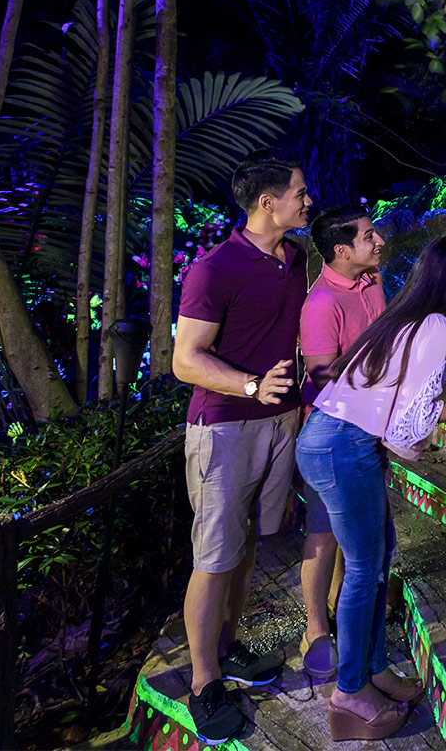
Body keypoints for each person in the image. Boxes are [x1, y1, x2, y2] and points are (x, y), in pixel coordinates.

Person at [298, 237, 446, 741]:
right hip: (343, 445)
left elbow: (398, 410)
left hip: (333, 438)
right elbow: (409, 422)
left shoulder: (407, 317)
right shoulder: (438, 326)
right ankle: (350, 694)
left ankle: (374, 668)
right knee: (362, 570)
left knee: (379, 558)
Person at [171, 156, 311, 743]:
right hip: (225, 427)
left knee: (249, 541)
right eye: (300, 193)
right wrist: (251, 385)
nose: (308, 201)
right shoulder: (214, 270)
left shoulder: (298, 259)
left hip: (282, 423)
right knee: (214, 554)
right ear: (267, 204)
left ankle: (227, 649)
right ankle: (204, 681)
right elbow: (185, 360)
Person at [295, 206, 388, 680]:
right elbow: (319, 375)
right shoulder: (321, 304)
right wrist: (377, 373)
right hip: (331, 437)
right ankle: (315, 626)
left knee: (361, 537)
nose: (379, 241)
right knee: (323, 530)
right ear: (341, 250)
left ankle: (345, 610)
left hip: (368, 427)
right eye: (369, 236)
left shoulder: (371, 282)